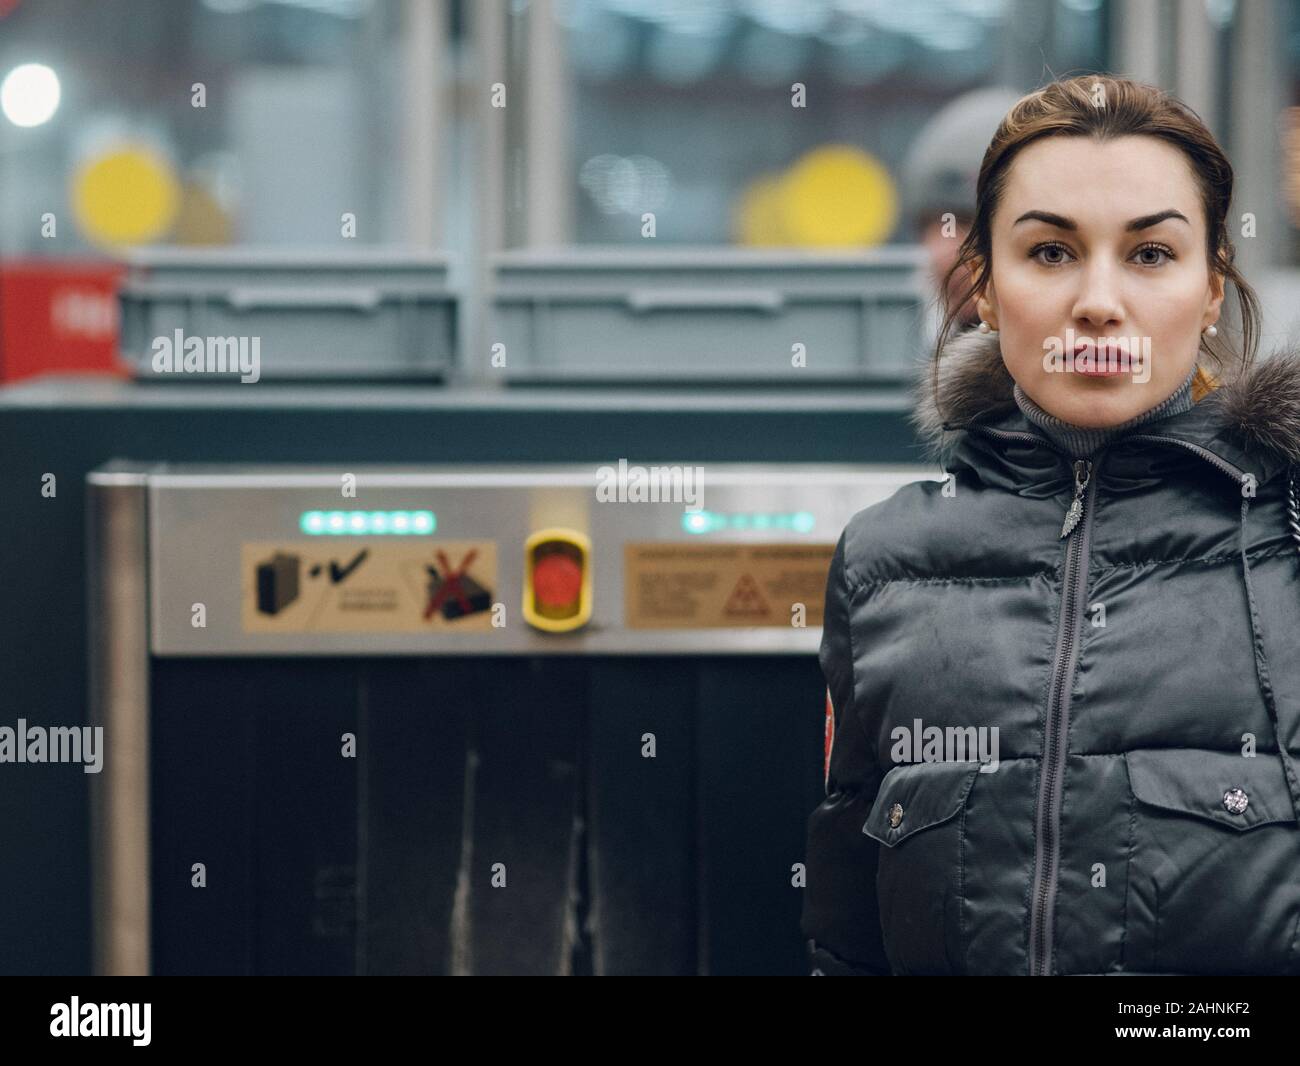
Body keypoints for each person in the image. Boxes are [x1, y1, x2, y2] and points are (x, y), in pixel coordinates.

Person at [801, 73, 1300, 975]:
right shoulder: (883, 564)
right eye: (1050, 253)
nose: (1099, 301)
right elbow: (848, 934)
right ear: (985, 291)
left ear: (1214, 289)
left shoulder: (1289, 542)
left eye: (1150, 254)